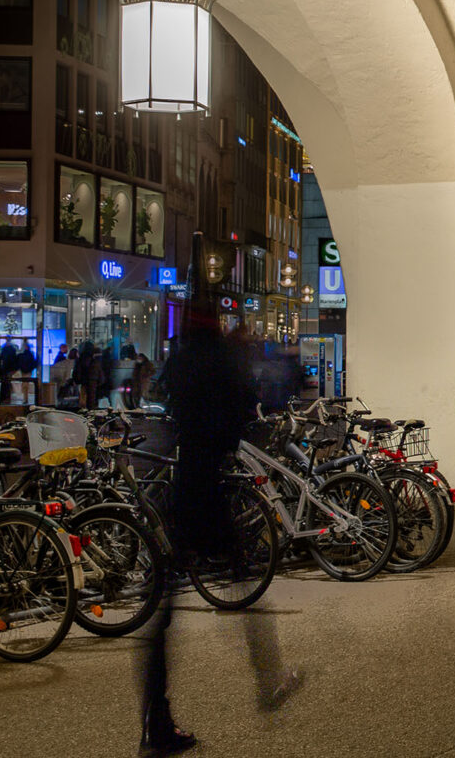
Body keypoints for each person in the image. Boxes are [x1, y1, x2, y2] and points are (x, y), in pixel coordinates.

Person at [139, 308, 303, 755]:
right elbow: (242, 411)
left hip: (184, 488)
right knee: (243, 581)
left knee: (167, 612)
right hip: (206, 491)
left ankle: (155, 720)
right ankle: (268, 680)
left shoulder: (183, 361)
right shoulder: (218, 362)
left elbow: (168, 409)